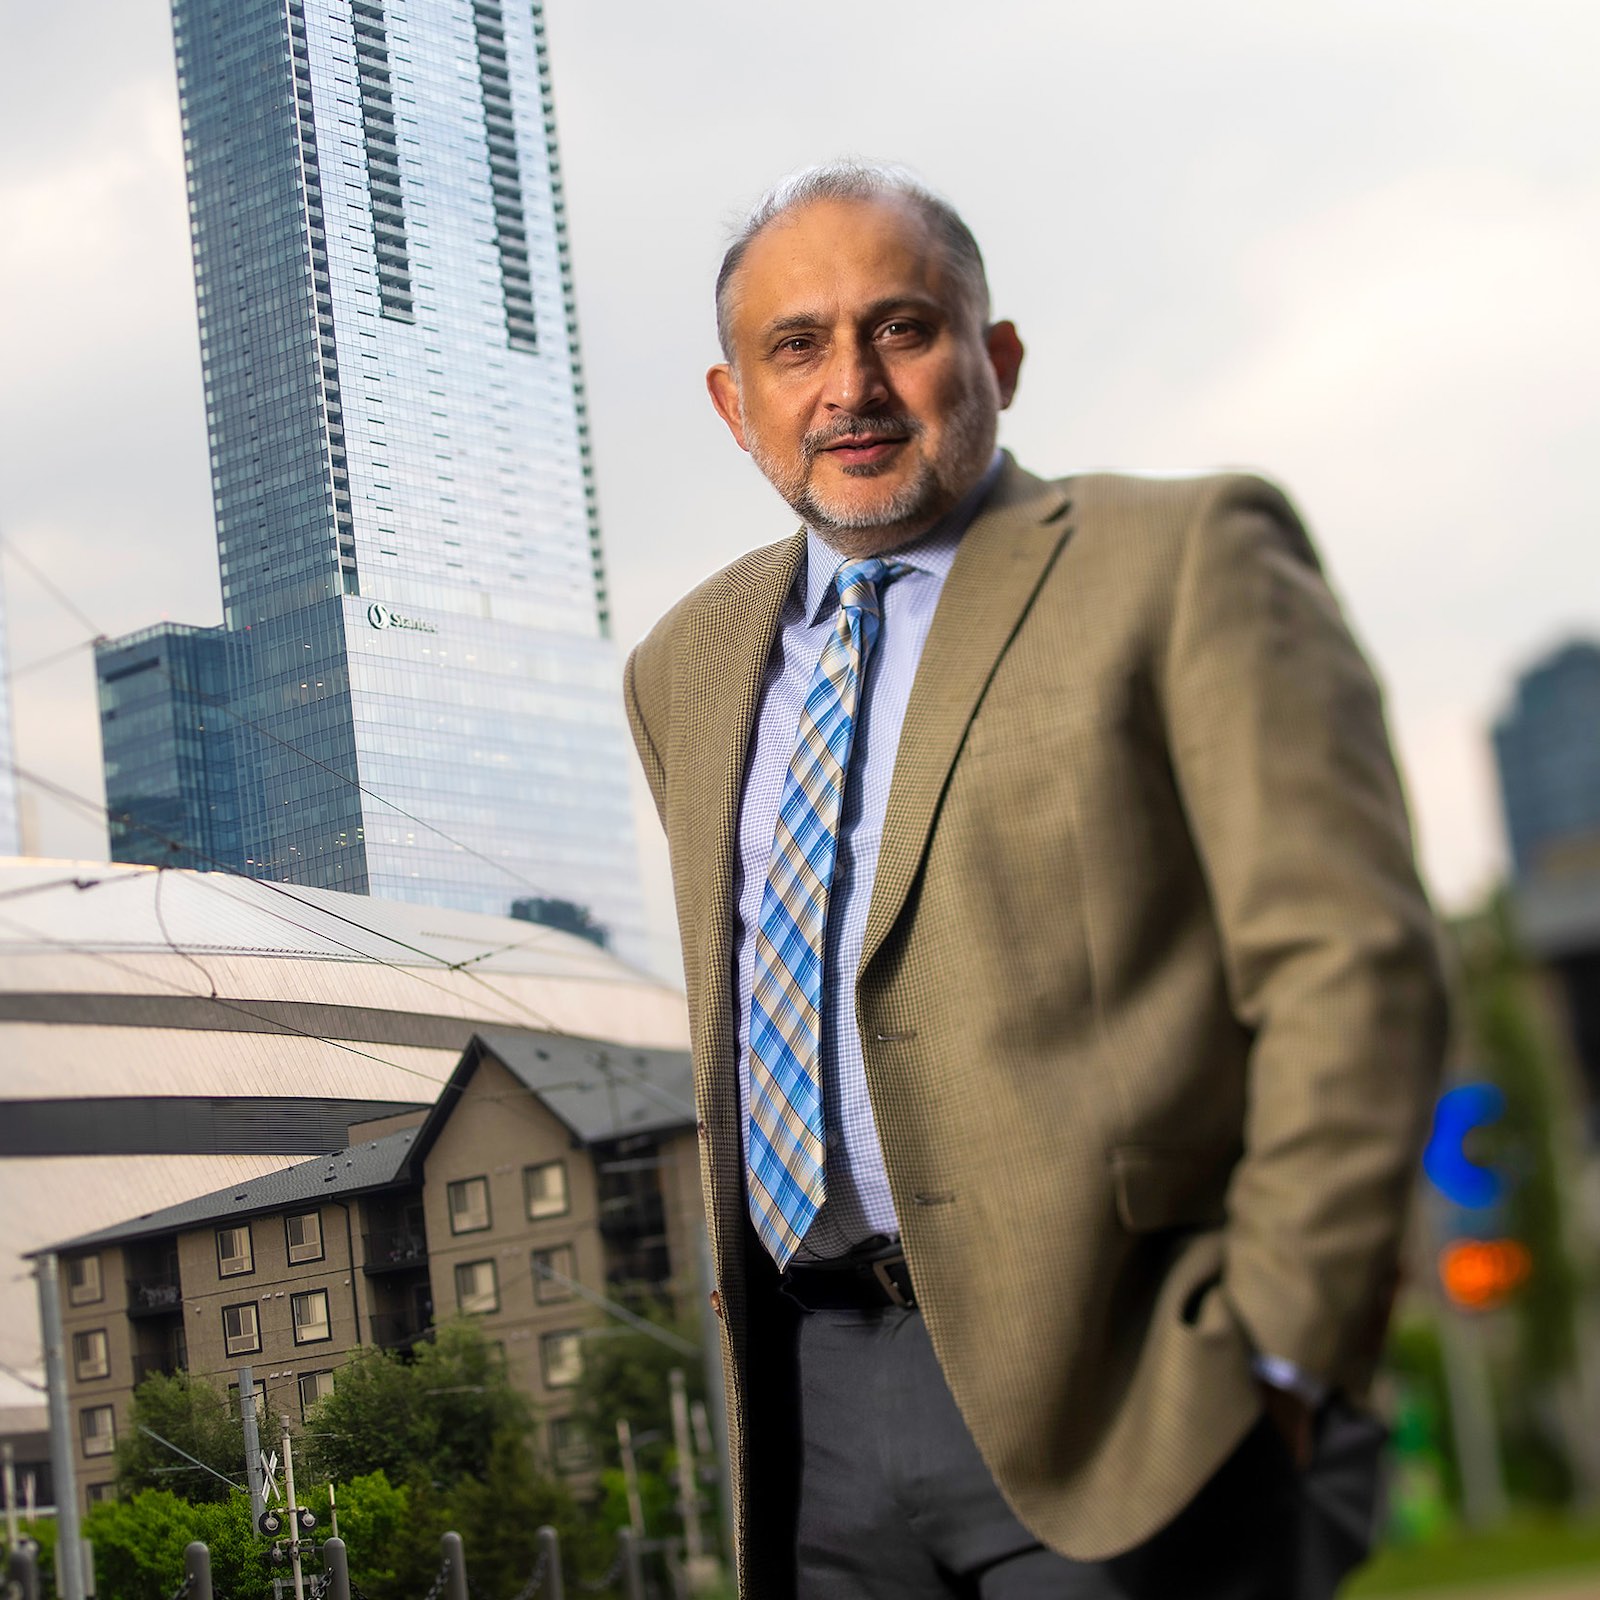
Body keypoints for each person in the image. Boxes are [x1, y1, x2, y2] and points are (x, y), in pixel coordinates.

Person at [623, 161, 1449, 1598]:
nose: (851, 389)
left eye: (902, 328)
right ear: (731, 401)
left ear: (995, 358)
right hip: (809, 1410)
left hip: (1125, 1399)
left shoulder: (1181, 563)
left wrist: (1281, 1347)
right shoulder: (683, 670)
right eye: (796, 345)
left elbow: (1351, 965)